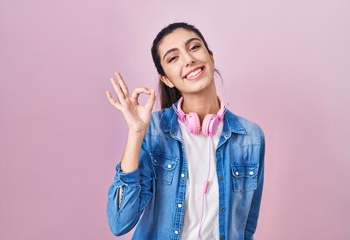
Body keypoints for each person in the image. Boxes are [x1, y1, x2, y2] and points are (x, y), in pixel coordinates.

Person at [105, 22, 265, 240]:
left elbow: (246, 229)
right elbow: (119, 222)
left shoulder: (251, 138)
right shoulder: (153, 131)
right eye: (173, 58)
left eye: (194, 48)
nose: (189, 59)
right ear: (166, 79)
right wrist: (135, 134)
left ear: (210, 56)